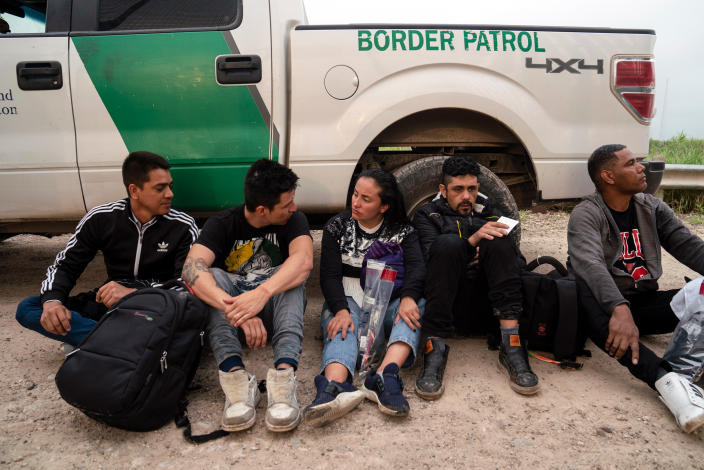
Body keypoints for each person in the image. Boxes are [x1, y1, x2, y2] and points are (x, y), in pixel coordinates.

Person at [567, 144, 704, 433]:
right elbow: (590, 266)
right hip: (601, 310)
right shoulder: (586, 214)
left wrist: (628, 312)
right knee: (581, 290)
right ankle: (668, 383)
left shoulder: (651, 207)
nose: (641, 167)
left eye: (638, 162)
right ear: (608, 176)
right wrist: (619, 308)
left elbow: (688, 246)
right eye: (631, 163)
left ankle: (689, 371)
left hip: (642, 305)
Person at [15, 151, 198, 349]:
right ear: (134, 191)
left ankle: (96, 341)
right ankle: (122, 343)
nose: (170, 194)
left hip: (154, 305)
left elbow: (187, 285)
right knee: (29, 308)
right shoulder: (101, 219)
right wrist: (52, 301)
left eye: (170, 186)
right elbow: (66, 266)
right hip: (109, 303)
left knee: (186, 315)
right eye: (160, 188)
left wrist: (133, 294)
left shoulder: (183, 226)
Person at [181, 159, 313, 433]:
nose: (294, 208)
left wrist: (262, 293)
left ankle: (283, 377)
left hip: (275, 311)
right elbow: (190, 269)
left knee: (293, 276)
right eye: (286, 204)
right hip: (233, 319)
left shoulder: (295, 220)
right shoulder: (223, 223)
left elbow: (303, 262)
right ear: (263, 210)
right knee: (212, 276)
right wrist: (237, 310)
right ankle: (236, 380)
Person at [304, 169, 425, 427]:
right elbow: (329, 276)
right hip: (347, 298)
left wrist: (409, 297)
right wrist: (340, 309)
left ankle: (384, 376)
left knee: (416, 307)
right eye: (355, 194)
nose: (356, 203)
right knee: (342, 325)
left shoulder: (403, 231)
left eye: (366, 199)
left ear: (384, 206)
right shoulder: (336, 226)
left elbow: (417, 270)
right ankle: (334, 386)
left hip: (389, 302)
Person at [413, 155, 539, 398]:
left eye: (471, 189)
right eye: (458, 190)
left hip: (490, 307)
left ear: (478, 187)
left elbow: (515, 263)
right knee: (447, 245)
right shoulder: (427, 215)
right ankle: (434, 348)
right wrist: (471, 243)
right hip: (447, 307)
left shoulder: (493, 211)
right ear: (443, 189)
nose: (466, 197)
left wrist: (490, 249)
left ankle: (511, 344)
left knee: (498, 240)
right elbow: (431, 264)